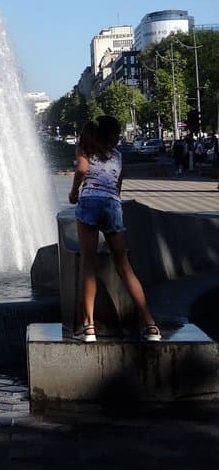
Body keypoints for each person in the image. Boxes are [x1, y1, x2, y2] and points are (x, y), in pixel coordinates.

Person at [68, 116, 161, 343]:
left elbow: (81, 169)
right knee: (124, 266)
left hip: (89, 203)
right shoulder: (118, 156)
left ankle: (89, 327)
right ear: (114, 136)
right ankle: (150, 325)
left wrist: (74, 193)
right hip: (111, 206)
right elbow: (117, 188)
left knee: (88, 263)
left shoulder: (85, 149)